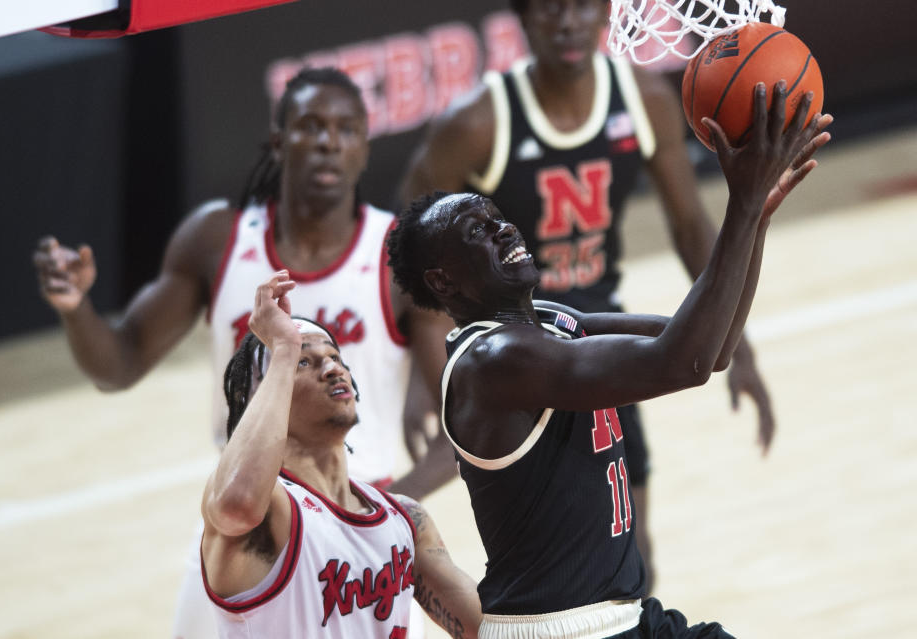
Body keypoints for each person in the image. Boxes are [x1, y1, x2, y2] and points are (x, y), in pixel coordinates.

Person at [387, 84, 831, 637]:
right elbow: (682, 362)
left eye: (497, 216)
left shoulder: (540, 320)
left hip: (626, 620)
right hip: (566, 630)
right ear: (443, 280)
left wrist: (756, 215)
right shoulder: (494, 361)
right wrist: (740, 205)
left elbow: (709, 347)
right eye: (478, 231)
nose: (504, 228)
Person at [32, 67, 455, 638]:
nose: (330, 140)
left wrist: (381, 514)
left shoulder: (397, 256)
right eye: (311, 126)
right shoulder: (217, 239)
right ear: (279, 142)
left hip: (361, 519)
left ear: (363, 149)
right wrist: (77, 307)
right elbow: (120, 365)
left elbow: (462, 423)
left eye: (346, 128)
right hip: (246, 518)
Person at [398, 0, 778, 590]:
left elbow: (688, 232)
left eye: (582, 7)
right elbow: (419, 250)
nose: (568, 23)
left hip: (585, 330)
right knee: (557, 556)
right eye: (551, 10)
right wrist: (428, 377)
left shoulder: (643, 99)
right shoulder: (478, 123)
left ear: (606, 13)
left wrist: (742, 344)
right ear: (522, 20)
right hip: (512, 353)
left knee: (630, 548)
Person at [202, 271, 482, 638]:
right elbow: (237, 505)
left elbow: (484, 628)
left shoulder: (404, 520)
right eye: (305, 362)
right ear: (262, 397)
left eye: (335, 357)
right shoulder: (270, 511)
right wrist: (285, 348)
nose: (333, 368)